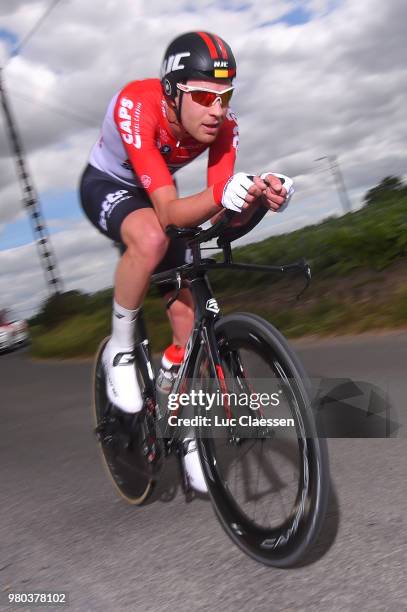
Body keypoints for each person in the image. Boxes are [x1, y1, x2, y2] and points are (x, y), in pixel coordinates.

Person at [79, 31, 294, 492]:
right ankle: (120, 347)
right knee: (154, 236)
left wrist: (256, 194)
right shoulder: (138, 105)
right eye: (202, 96)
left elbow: (217, 211)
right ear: (172, 93)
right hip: (113, 186)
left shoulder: (224, 127)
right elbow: (169, 212)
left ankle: (190, 429)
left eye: (225, 96)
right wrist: (221, 193)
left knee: (188, 318)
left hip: (161, 195)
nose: (217, 109)